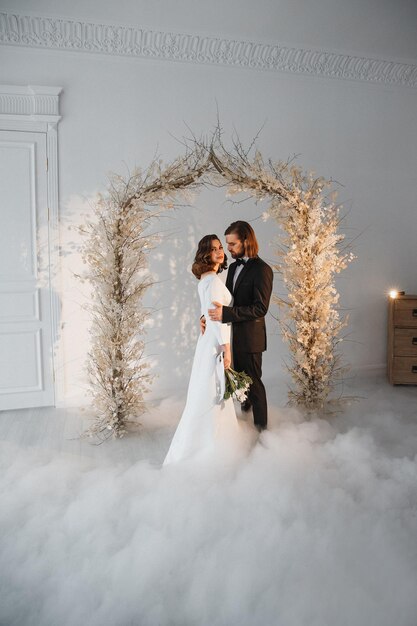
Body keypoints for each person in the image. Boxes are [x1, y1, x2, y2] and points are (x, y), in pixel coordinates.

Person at [163, 235, 239, 465]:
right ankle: (208, 449)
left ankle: (206, 444)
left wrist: (203, 317)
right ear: (205, 254)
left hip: (207, 343)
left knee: (206, 391)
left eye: (220, 248)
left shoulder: (207, 280)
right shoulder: (213, 281)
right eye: (213, 249)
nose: (219, 252)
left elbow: (208, 312)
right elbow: (217, 318)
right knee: (212, 392)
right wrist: (227, 349)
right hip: (214, 343)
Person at [207, 221, 273, 432]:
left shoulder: (263, 270)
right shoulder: (234, 267)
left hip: (251, 338)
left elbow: (260, 308)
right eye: (227, 244)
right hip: (233, 335)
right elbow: (226, 300)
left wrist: (226, 314)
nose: (229, 249)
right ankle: (245, 418)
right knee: (241, 381)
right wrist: (206, 315)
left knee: (254, 383)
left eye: (232, 244)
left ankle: (262, 430)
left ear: (246, 241)